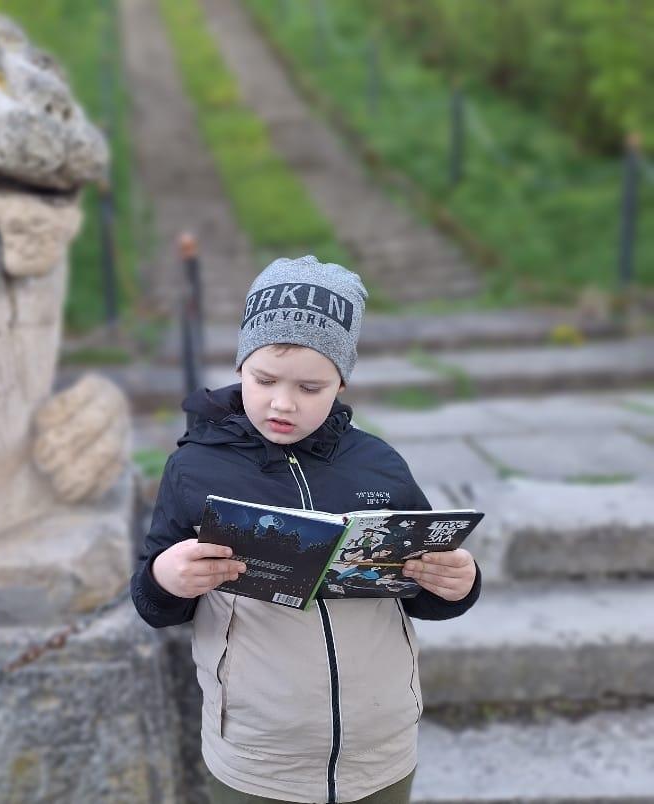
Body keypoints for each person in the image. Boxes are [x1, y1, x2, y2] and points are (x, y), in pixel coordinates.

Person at [130, 256, 479, 804]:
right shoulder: (196, 468)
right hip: (255, 753)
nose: (282, 403)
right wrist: (165, 576)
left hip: (380, 748)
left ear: (340, 381)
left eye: (310, 387)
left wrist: (459, 582)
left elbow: (424, 594)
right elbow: (153, 606)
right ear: (241, 365)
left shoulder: (380, 465)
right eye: (264, 379)